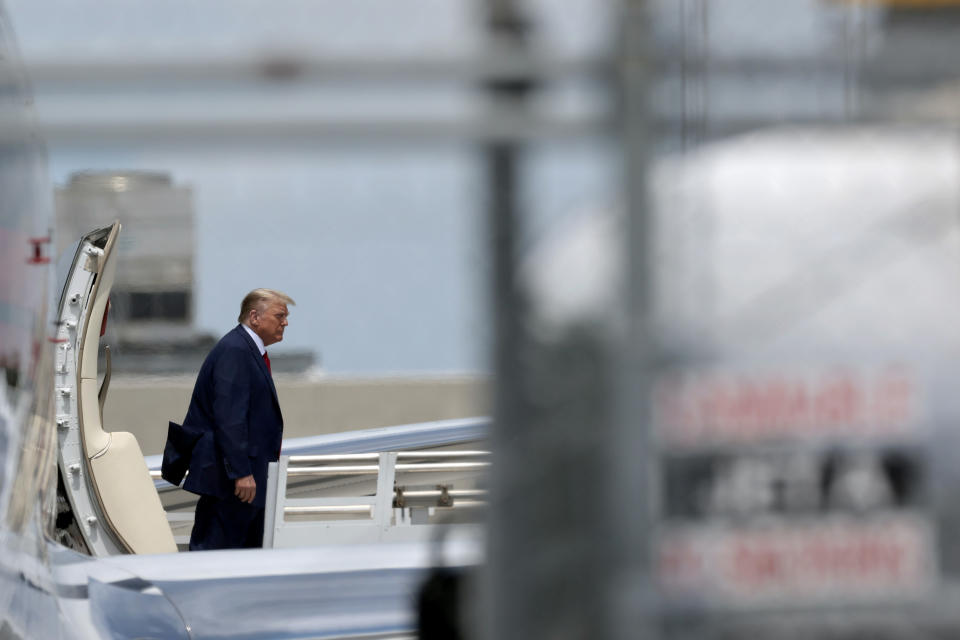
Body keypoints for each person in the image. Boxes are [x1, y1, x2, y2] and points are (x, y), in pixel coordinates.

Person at [162, 288, 293, 550]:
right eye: (280, 315)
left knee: (244, 559)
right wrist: (241, 472)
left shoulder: (246, 350)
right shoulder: (235, 350)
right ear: (254, 317)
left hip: (246, 481)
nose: (285, 322)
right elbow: (230, 418)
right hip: (233, 484)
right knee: (216, 556)